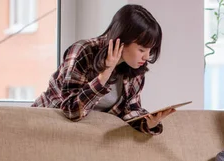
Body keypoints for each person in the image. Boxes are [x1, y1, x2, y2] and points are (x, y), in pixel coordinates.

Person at [32, 4, 174, 135]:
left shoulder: (134, 68)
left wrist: (148, 123)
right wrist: (105, 73)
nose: (146, 57)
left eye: (150, 50)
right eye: (142, 49)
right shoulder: (83, 51)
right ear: (122, 41)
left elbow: (130, 110)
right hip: (43, 126)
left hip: (84, 135)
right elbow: (71, 111)